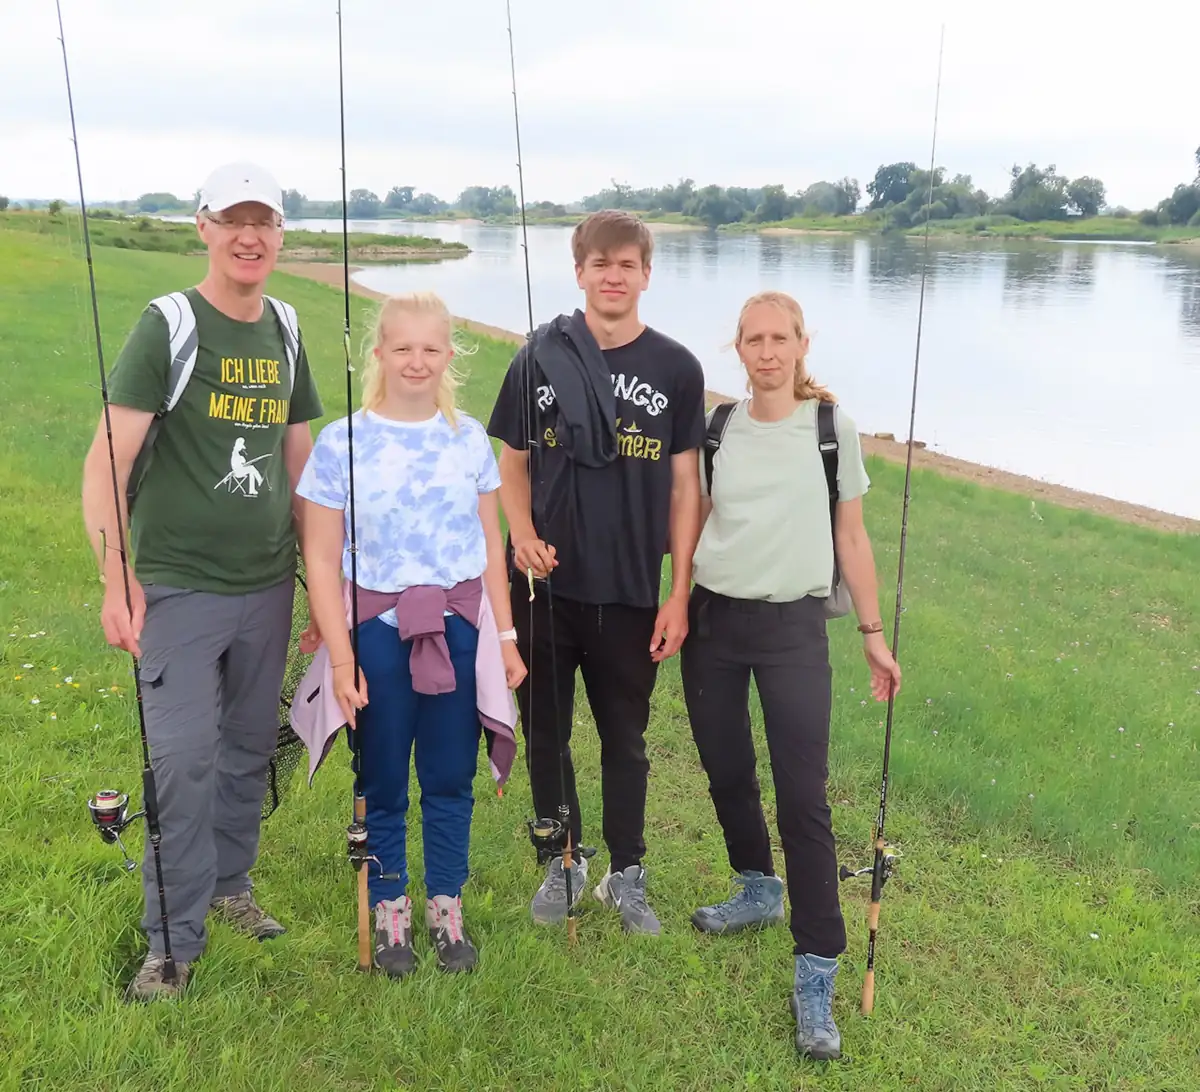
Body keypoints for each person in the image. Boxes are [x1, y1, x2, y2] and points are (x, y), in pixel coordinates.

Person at [80, 162, 324, 1001]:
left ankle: (228, 884)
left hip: (269, 583)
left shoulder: (286, 326)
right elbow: (106, 463)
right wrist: (116, 578)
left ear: (280, 234)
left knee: (247, 748)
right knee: (182, 760)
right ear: (205, 228)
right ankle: (170, 945)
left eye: (265, 221)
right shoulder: (170, 325)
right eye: (233, 220)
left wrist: (322, 586)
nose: (249, 236)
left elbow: (300, 461)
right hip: (178, 587)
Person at [679, 290, 902, 1061]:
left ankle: (816, 970)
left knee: (803, 799)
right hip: (713, 622)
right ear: (737, 348)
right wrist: (672, 602)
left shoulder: (831, 429)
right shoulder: (717, 428)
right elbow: (694, 521)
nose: (768, 351)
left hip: (793, 630)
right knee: (725, 769)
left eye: (781, 338)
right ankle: (756, 887)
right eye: (754, 340)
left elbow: (853, 538)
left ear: (803, 344)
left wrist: (873, 636)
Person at [487, 210, 706, 934]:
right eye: (600, 264)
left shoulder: (677, 368)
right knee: (546, 733)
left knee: (625, 739)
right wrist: (522, 534)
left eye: (627, 265)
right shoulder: (537, 358)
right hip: (546, 589)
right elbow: (512, 464)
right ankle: (563, 859)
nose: (614, 277)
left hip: (632, 590)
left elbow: (686, 488)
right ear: (579, 271)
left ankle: (627, 871)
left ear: (647, 274)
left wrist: (678, 592)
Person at [295, 292, 526, 977]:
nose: (416, 361)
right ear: (379, 353)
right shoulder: (342, 442)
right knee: (383, 774)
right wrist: (343, 661)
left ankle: (446, 905)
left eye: (430, 348)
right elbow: (321, 556)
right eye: (402, 348)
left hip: (458, 633)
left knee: (451, 775)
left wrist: (505, 637)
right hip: (375, 634)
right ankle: (389, 905)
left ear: (450, 355)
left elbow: (490, 546)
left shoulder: (469, 439)